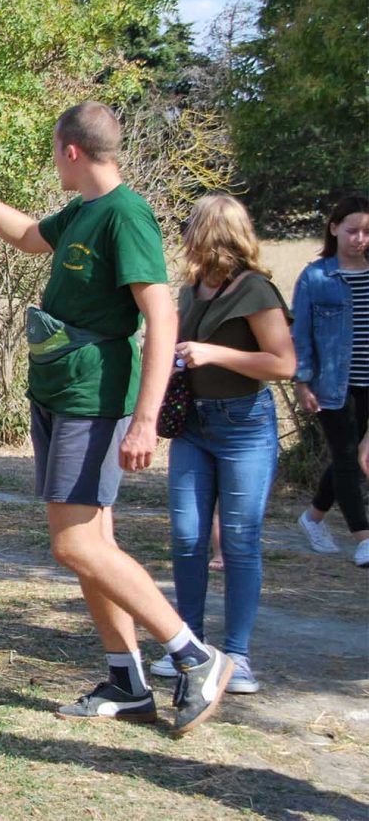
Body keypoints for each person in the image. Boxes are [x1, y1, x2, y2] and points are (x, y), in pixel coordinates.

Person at [0, 102, 234, 736]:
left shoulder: (126, 215)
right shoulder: (84, 211)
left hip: (93, 398)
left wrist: (147, 419)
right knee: (96, 547)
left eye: (53, 148)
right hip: (60, 391)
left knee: (74, 545)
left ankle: (194, 655)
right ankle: (127, 679)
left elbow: (161, 317)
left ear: (70, 150)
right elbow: (25, 235)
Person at [143, 196, 295, 695]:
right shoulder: (192, 289)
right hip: (193, 426)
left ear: (212, 233)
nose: (184, 236)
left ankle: (239, 656)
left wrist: (213, 354)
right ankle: (190, 647)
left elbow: (283, 364)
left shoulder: (254, 290)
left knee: (239, 540)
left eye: (191, 228)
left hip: (244, 426)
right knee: (187, 537)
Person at [290, 195, 369, 568]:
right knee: (346, 456)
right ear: (334, 228)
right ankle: (363, 537)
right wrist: (302, 382)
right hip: (333, 385)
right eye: (352, 230)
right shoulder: (316, 277)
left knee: (351, 457)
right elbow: (301, 335)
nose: (360, 238)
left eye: (367, 232)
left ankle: (314, 517)